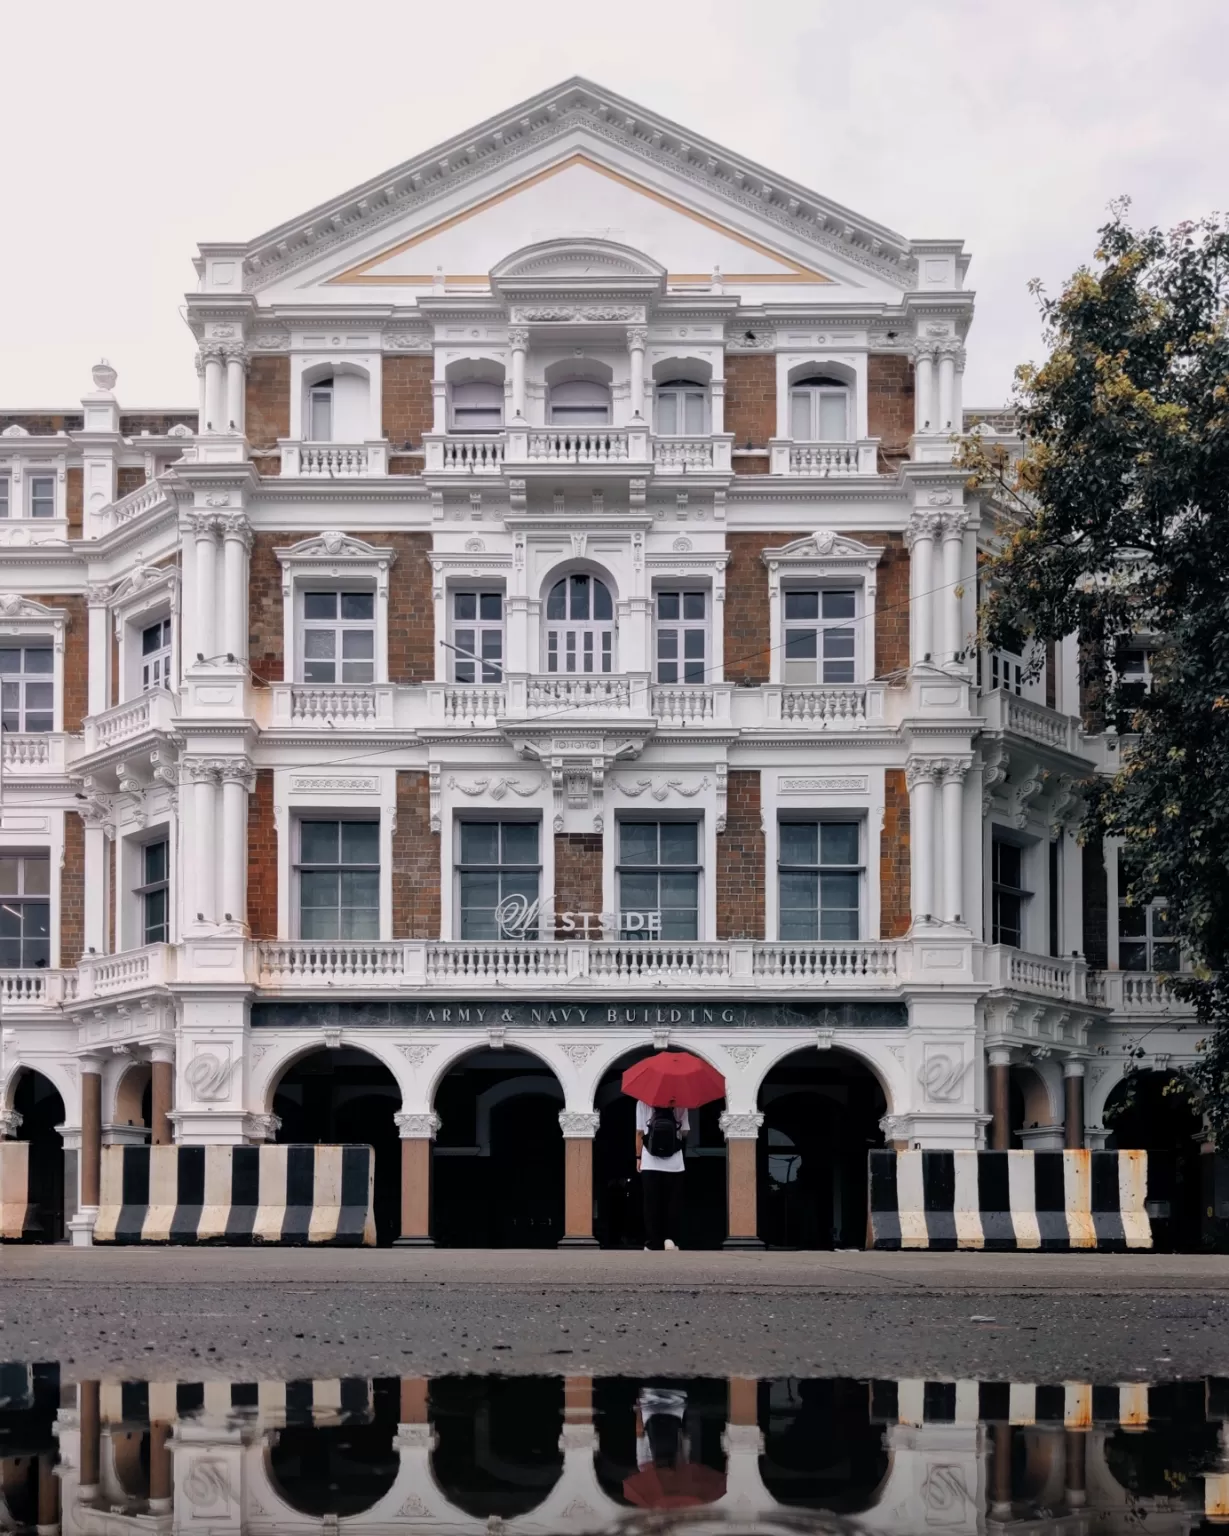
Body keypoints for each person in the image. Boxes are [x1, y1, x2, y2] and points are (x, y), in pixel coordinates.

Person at [635, 1099, 688, 1251]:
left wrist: (638, 1157)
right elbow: (685, 1132)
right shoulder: (681, 1103)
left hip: (650, 1161)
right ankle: (670, 1240)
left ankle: (653, 1242)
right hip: (675, 1163)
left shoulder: (642, 1101)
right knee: (672, 1203)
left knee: (651, 1204)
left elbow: (639, 1132)